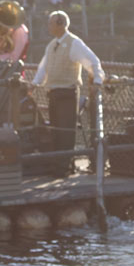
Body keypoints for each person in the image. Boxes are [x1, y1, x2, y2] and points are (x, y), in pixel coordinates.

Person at [30, 10, 105, 175]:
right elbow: (43, 68)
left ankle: (65, 166)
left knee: (66, 131)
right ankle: (58, 165)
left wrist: (97, 81)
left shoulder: (74, 43)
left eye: (51, 23)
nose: (48, 26)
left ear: (60, 24)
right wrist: (34, 84)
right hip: (54, 92)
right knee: (56, 130)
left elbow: (92, 61)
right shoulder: (51, 45)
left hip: (67, 92)